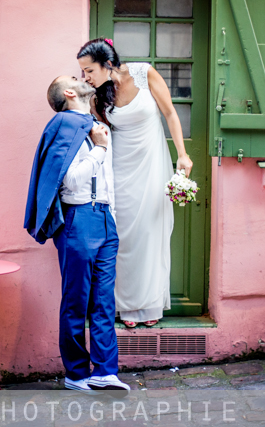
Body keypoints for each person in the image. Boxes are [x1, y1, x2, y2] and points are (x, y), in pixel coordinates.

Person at [24, 75, 130, 395]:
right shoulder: (65, 126)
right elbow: (69, 183)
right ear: (70, 93)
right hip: (79, 219)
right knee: (76, 300)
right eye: (74, 78)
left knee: (103, 301)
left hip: (105, 220)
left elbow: (107, 179)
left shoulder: (95, 126)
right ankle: (76, 373)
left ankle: (105, 372)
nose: (81, 77)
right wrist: (98, 149)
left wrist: (111, 217)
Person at [77, 38, 193, 328]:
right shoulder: (97, 96)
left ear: (107, 64)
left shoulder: (144, 73)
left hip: (151, 163)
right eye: (83, 72)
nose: (86, 77)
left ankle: (148, 304)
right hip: (120, 168)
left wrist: (183, 155)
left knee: (149, 233)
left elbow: (169, 113)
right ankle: (123, 306)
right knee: (123, 236)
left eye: (89, 70)